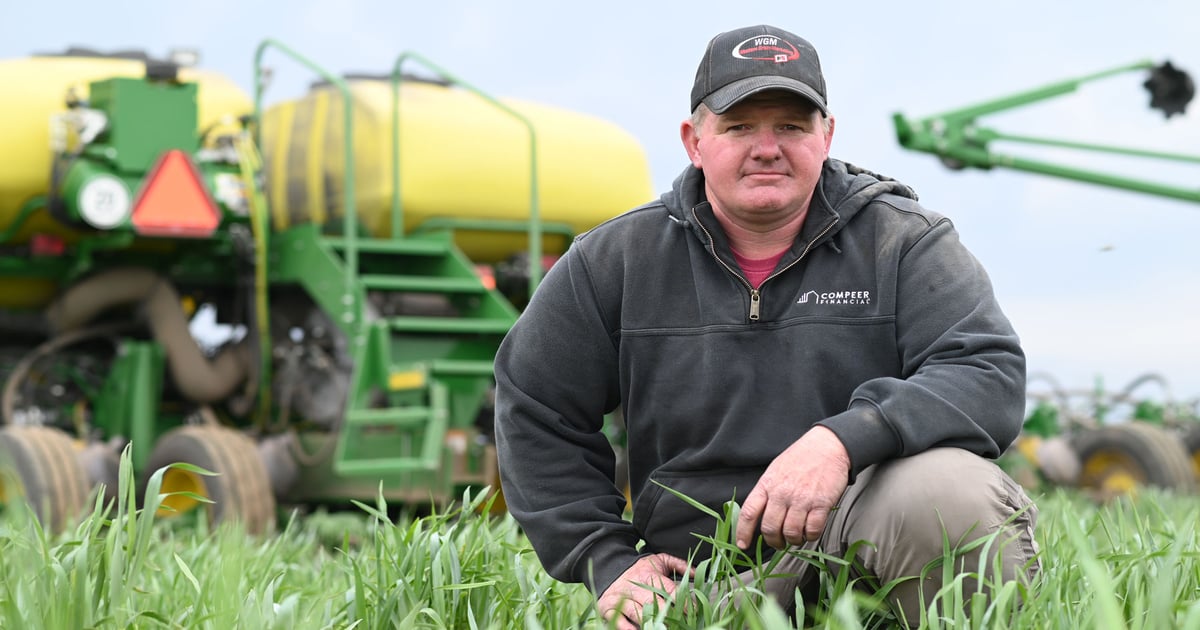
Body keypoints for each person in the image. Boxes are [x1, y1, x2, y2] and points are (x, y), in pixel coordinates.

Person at [494, 24, 1040, 628]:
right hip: (702, 583)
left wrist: (841, 439)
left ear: (826, 136)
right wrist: (606, 558)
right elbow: (534, 405)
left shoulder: (904, 242)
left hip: (868, 554)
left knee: (950, 492)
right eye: (739, 126)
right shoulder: (616, 259)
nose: (767, 147)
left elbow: (986, 372)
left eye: (790, 126)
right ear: (694, 141)